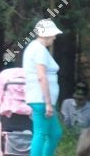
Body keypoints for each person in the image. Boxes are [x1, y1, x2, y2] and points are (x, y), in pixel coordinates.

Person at [23, 19, 64, 156]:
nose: (54, 37)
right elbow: (41, 76)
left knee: (55, 133)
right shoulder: (39, 50)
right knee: (40, 133)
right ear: (47, 34)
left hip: (40, 99)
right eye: (53, 34)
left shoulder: (34, 47)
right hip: (41, 100)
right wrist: (48, 103)